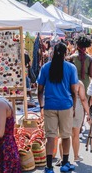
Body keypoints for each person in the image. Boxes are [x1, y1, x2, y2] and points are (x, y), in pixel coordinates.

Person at [37, 42, 78, 173]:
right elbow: (74, 91)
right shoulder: (71, 68)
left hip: (49, 106)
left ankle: (49, 166)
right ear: (66, 53)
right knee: (66, 136)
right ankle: (65, 163)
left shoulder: (45, 67)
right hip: (66, 105)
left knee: (50, 137)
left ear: (53, 52)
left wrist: (41, 106)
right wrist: (74, 107)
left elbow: (39, 90)